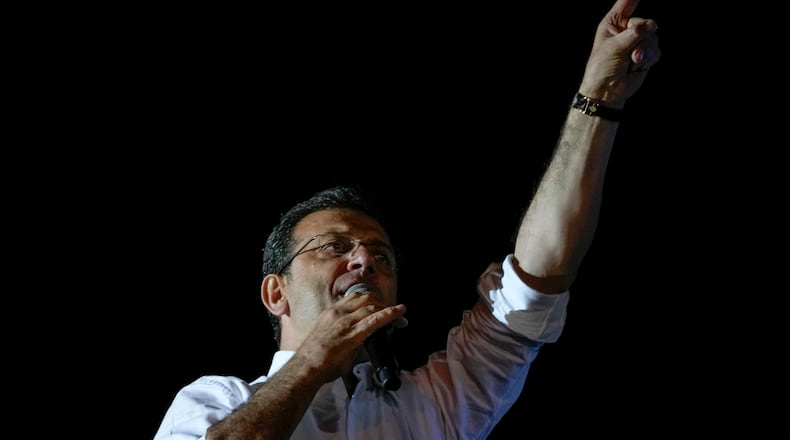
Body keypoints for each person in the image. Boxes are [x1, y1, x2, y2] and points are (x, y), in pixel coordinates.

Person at [153, 0, 660, 438]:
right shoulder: (214, 401)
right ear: (275, 293)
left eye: (382, 256)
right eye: (334, 246)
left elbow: (538, 278)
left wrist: (599, 98)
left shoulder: (435, 404)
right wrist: (312, 362)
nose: (364, 261)